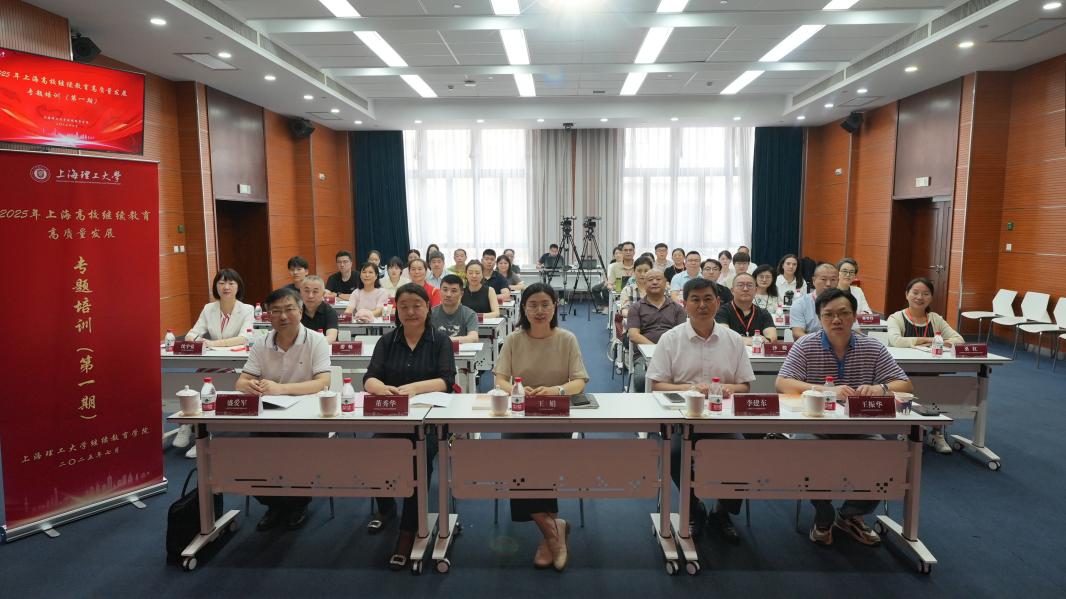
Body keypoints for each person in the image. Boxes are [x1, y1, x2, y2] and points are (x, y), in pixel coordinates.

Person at [776, 288, 913, 547]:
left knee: (886, 457)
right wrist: (824, 390)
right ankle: (823, 514)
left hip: (860, 427)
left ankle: (850, 514)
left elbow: (904, 384)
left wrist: (880, 388)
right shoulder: (806, 345)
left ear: (854, 316)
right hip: (815, 425)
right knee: (804, 451)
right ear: (819, 318)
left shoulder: (872, 347)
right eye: (828, 315)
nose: (836, 320)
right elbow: (782, 383)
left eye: (843, 313)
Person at [647, 277, 755, 543]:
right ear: (684, 304)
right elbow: (657, 385)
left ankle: (722, 511)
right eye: (695, 299)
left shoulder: (733, 340)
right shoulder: (670, 339)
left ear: (718, 302)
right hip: (680, 420)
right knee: (675, 455)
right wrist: (691, 389)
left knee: (742, 453)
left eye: (708, 299)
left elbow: (744, 386)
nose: (702, 305)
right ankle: (693, 507)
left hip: (722, 420)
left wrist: (728, 389)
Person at [494, 282, 589, 571]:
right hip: (520, 414)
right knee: (518, 461)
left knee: (541, 461)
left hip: (555, 414)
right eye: (532, 304)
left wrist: (556, 390)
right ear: (523, 308)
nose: (539, 310)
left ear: (554, 307)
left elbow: (579, 381)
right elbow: (500, 379)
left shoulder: (567, 339)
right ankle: (553, 531)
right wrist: (517, 391)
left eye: (545, 304)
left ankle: (550, 535)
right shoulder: (513, 339)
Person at [363, 283, 455, 570]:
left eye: (417, 305)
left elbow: (446, 380)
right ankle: (387, 508)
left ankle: (408, 530)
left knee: (417, 461)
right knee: (375, 454)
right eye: (404, 306)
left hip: (430, 421)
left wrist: (414, 388)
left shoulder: (440, 340)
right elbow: (369, 378)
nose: (411, 311)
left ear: (428, 308)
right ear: (396, 309)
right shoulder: (387, 341)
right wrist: (381, 389)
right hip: (394, 416)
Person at [236, 287, 331, 531]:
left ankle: (298, 504)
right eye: (276, 311)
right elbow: (241, 381)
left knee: (297, 451)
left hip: (309, 417)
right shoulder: (261, 343)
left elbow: (323, 382)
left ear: (300, 310)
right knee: (255, 452)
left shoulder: (316, 340)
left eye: (289, 309)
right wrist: (251, 386)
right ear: (268, 315)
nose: (283, 316)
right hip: (269, 416)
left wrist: (281, 389)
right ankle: (274, 504)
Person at [175, 268, 256, 458]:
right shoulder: (208, 308)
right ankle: (190, 423)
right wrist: (195, 339)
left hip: (236, 362)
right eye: (221, 283)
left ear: (238, 287)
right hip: (212, 360)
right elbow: (192, 333)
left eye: (231, 283)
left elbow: (245, 337)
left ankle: (200, 430)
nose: (226, 287)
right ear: (216, 287)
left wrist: (213, 343)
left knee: (209, 380)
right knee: (202, 378)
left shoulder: (247, 309)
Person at [886, 277, 964, 454]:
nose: (920, 297)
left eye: (925, 294)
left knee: (936, 390)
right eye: (915, 292)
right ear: (907, 294)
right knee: (908, 391)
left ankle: (936, 433)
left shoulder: (935, 319)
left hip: (931, 370)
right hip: (904, 373)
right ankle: (906, 431)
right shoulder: (896, 317)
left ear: (931, 297)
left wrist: (941, 342)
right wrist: (930, 340)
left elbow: (958, 340)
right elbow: (896, 340)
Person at [791, 263, 859, 338]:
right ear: (814, 280)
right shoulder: (800, 304)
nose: (828, 284)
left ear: (838, 281)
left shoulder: (846, 302)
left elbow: (856, 332)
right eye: (824, 279)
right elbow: (797, 333)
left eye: (833, 279)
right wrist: (822, 343)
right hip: (811, 344)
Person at [627, 269, 687, 347]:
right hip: (645, 351)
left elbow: (682, 335)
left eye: (658, 279)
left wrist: (666, 350)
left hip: (671, 350)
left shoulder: (677, 308)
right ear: (644, 284)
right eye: (650, 280)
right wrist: (656, 349)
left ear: (665, 283)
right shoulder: (636, 308)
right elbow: (633, 335)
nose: (654, 282)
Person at [716, 272, 777, 344]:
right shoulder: (722, 311)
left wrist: (767, 340)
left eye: (749, 285)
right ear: (732, 291)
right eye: (740, 285)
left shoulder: (763, 313)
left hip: (757, 351)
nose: (745, 289)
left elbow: (772, 338)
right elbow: (725, 336)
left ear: (755, 290)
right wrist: (754, 340)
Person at [430, 274, 480, 345]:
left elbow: (473, 338)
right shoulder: (430, 313)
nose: (448, 294)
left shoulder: (469, 314)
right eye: (445, 290)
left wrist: (444, 340)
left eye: (453, 291)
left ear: (461, 294)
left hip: (462, 351)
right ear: (439, 291)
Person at [300, 275, 339, 342]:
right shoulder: (296, 311)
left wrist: (309, 344)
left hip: (324, 348)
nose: (310, 296)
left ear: (323, 294)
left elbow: (331, 338)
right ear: (300, 292)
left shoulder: (330, 312)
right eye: (306, 291)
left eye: (315, 292)